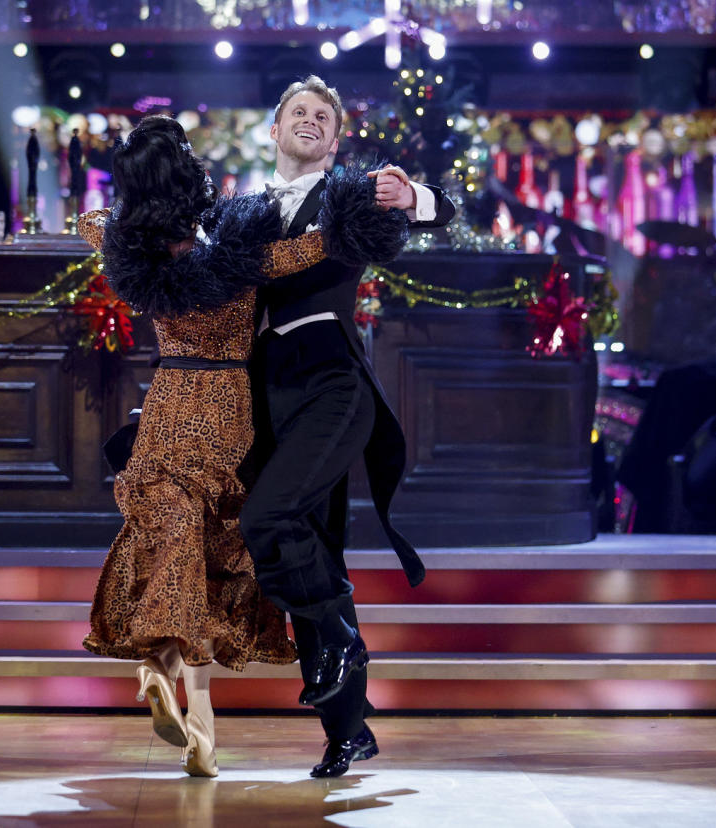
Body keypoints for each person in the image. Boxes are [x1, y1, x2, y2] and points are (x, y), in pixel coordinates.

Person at [78, 115, 406, 778]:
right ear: (194, 183)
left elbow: (92, 221)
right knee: (214, 555)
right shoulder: (237, 261)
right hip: (226, 411)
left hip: (168, 404)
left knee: (168, 547)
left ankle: (162, 674)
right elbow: (309, 251)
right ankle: (196, 715)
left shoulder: (127, 252)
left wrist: (118, 215)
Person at [239, 75, 457, 778]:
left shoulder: (347, 194)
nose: (308, 121)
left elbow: (437, 212)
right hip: (266, 389)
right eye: (296, 112)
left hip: (331, 380)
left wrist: (411, 195)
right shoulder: (243, 212)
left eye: (321, 116)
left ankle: (338, 640)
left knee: (269, 519)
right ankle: (348, 730)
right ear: (273, 132)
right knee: (312, 547)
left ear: (335, 141)